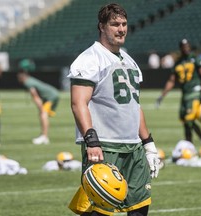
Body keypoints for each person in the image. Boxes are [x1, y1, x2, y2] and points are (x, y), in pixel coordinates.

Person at [67, 3, 160, 216]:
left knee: (140, 207)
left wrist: (149, 144)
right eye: (115, 24)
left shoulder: (129, 60)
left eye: (124, 24)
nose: (121, 29)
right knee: (100, 210)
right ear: (102, 26)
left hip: (133, 147)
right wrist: (92, 141)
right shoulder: (90, 58)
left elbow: (134, 105)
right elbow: (78, 103)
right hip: (105, 146)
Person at [156, 39, 201, 146]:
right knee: (185, 121)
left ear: (190, 47)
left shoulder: (195, 59)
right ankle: (189, 145)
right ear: (180, 48)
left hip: (195, 92)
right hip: (185, 95)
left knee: (189, 119)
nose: (186, 48)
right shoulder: (178, 62)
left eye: (187, 46)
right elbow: (171, 81)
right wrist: (162, 96)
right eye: (184, 47)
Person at [17, 59, 60, 145]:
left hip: (51, 96)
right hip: (52, 94)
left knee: (43, 114)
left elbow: (35, 96)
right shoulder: (29, 80)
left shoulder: (27, 82)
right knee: (43, 114)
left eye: (19, 76)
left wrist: (41, 108)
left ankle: (44, 137)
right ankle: (43, 135)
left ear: (22, 76)